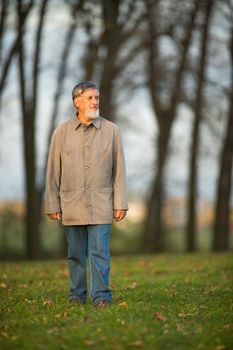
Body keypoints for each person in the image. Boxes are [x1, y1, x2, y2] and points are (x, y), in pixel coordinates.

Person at [45, 81, 128, 308]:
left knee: (100, 254)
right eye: (90, 98)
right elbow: (53, 171)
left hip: (102, 204)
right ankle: (76, 296)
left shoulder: (112, 131)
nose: (95, 102)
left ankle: (101, 297)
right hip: (71, 204)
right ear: (77, 102)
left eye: (97, 98)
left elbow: (119, 170)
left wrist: (120, 202)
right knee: (75, 256)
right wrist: (53, 204)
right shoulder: (61, 133)